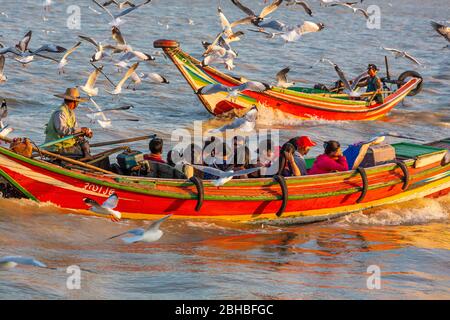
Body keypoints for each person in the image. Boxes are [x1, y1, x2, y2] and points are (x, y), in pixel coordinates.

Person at [44, 88, 93, 158]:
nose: (78, 104)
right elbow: (62, 130)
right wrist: (80, 130)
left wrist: (84, 133)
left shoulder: (71, 113)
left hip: (66, 146)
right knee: (82, 154)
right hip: (56, 148)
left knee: (84, 144)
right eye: (77, 102)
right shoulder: (60, 113)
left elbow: (75, 132)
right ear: (74, 102)